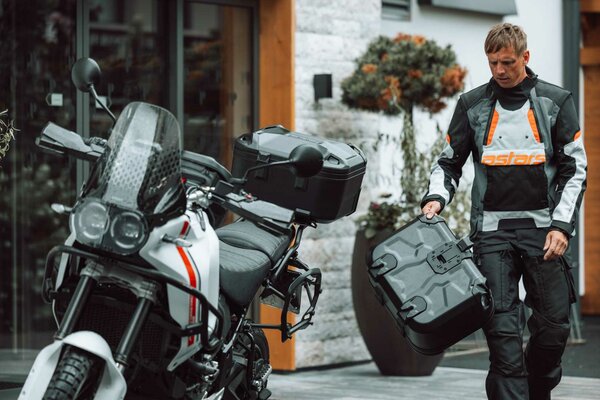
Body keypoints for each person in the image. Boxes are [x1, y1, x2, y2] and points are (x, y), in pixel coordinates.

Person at [421, 23, 587, 400]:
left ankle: (536, 389)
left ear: (525, 57)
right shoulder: (472, 105)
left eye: (507, 62)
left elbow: (575, 168)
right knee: (502, 333)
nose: (499, 70)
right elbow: (448, 162)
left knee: (554, 328)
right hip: (491, 235)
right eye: (493, 62)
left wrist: (562, 226)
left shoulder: (556, 101)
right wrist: (436, 197)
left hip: (545, 234)